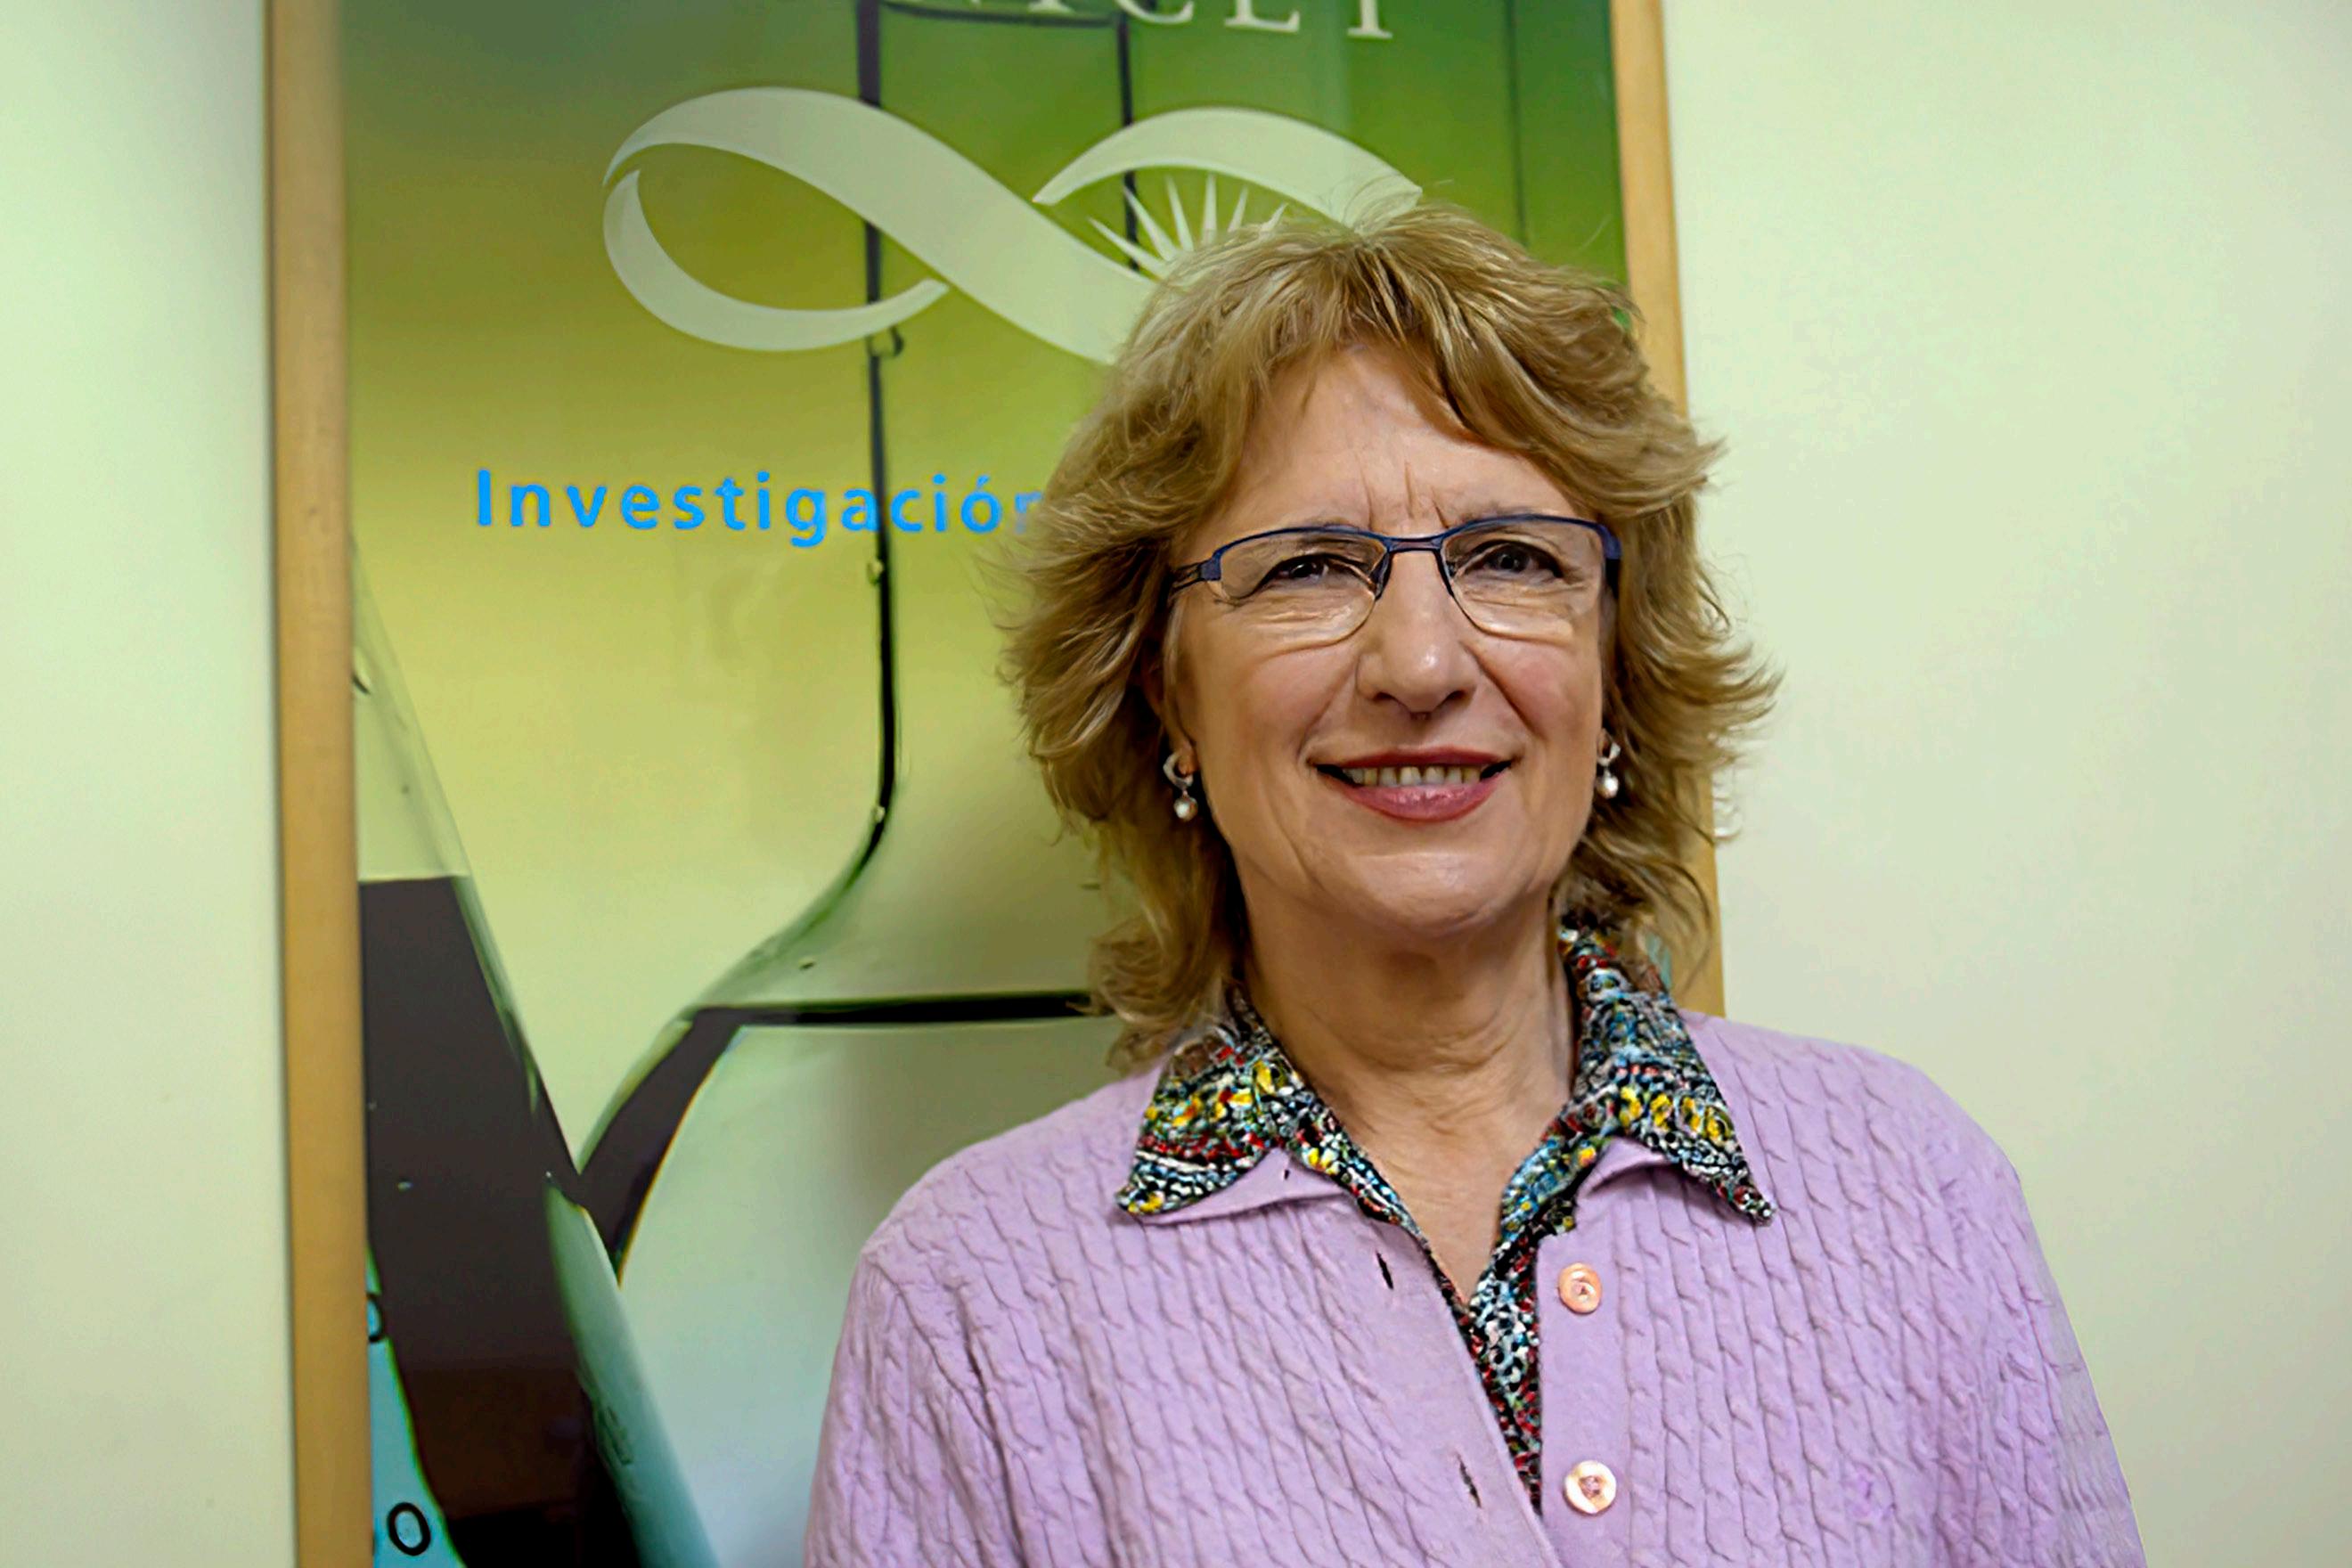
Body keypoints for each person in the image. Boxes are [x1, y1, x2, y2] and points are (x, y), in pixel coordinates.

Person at [802, 197, 2145, 1566]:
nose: (1423, 665)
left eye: (1510, 559)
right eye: (1310, 568)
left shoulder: (1912, 1193)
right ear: (1167, 696)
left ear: (1615, 667)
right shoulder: (973, 1300)